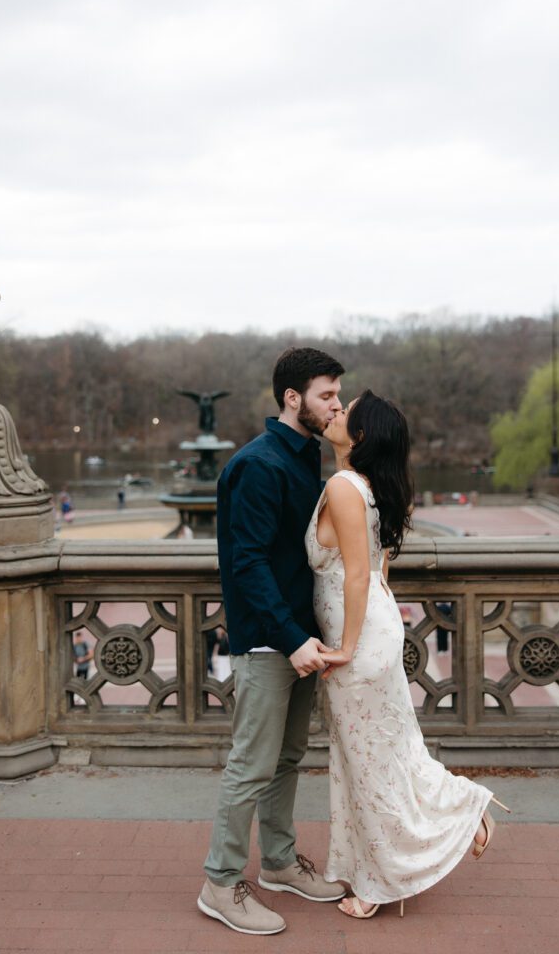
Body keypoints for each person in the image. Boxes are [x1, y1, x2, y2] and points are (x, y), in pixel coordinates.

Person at [308, 390, 509, 920]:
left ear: (362, 435)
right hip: (375, 627)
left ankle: (379, 882)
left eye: (345, 411)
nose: (335, 413)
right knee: (387, 751)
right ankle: (460, 813)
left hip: (359, 640)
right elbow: (378, 569)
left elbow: (356, 573)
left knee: (371, 760)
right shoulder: (372, 487)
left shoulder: (344, 486)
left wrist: (347, 646)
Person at [198, 347, 347, 935]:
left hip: (299, 639)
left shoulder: (302, 457)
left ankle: (280, 864)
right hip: (268, 642)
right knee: (251, 765)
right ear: (293, 398)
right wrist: (291, 639)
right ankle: (219, 881)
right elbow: (248, 564)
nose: (336, 404)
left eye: (337, 394)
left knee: (286, 759)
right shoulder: (259, 465)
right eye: (327, 395)